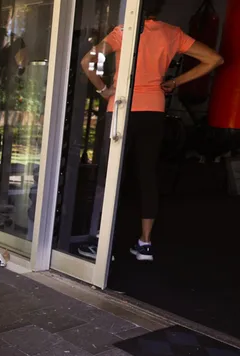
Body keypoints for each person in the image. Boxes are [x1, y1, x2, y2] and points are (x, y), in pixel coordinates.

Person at [81, 0, 223, 261]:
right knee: (147, 175)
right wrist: (175, 82)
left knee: (113, 174)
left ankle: (102, 243)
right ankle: (145, 244)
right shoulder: (173, 33)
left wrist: (104, 90)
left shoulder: (123, 32)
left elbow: (87, 62)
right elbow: (214, 59)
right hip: (153, 111)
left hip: (122, 108)